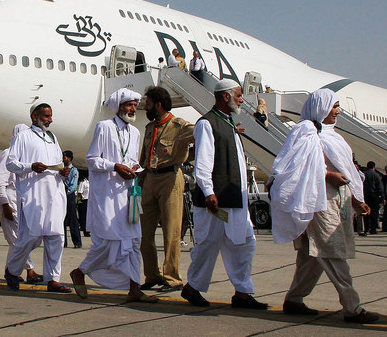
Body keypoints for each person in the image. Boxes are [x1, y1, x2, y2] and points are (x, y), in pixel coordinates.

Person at [269, 88, 379, 324]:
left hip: (336, 201)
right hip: (319, 203)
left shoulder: (332, 135)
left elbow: (347, 168)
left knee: (312, 257)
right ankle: (353, 307)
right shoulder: (307, 131)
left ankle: (294, 300)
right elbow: (294, 167)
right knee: (332, 252)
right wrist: (328, 175)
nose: (338, 111)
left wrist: (356, 199)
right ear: (321, 107)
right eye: (334, 105)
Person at [182, 79, 268, 310]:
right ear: (226, 97)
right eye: (238, 95)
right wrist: (209, 193)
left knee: (244, 243)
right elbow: (203, 163)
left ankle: (242, 292)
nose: (242, 99)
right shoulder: (206, 124)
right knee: (209, 244)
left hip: (233, 201)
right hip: (216, 204)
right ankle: (192, 287)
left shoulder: (227, 123)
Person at [70, 88, 158, 303]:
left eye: (135, 105)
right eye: (129, 105)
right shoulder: (105, 128)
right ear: (118, 106)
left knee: (133, 241)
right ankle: (80, 272)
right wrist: (114, 166)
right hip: (107, 196)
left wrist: (135, 167)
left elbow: (131, 159)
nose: (133, 109)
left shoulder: (135, 132)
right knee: (109, 242)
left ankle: (134, 289)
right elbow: (92, 159)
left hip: (128, 196)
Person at [4, 103, 73, 293]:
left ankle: (53, 280)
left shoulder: (52, 138)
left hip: (55, 193)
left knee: (56, 237)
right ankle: (13, 270)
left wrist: (63, 171)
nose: (50, 120)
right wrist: (30, 166)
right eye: (46, 116)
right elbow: (11, 164)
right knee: (31, 237)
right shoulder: (23, 137)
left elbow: (57, 165)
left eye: (51, 116)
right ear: (35, 117)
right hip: (33, 194)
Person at [138, 86, 195, 292]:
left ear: (159, 105)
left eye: (149, 103)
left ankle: (172, 278)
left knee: (171, 231)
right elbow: (143, 158)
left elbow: (201, 133)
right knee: (144, 233)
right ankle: (152, 274)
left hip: (170, 178)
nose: (145, 107)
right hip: (150, 179)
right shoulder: (149, 128)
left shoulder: (179, 126)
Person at [0, 123, 43, 283]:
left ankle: (12, 270)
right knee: (17, 240)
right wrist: (5, 204)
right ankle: (29, 271)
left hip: (22, 203)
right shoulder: (9, 154)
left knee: (21, 239)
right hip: (10, 202)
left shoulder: (26, 157)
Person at [63, 150, 81, 249]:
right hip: (63, 194)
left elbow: (73, 185)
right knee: (62, 219)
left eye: (65, 157)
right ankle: (63, 242)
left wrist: (67, 192)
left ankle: (77, 241)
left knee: (73, 219)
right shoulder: (62, 170)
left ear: (70, 158)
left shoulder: (74, 170)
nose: (64, 159)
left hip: (69, 195)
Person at [362, 161, 384, 235]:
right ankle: (373, 229)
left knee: (366, 212)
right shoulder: (376, 175)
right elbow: (380, 187)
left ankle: (366, 228)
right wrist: (382, 197)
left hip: (365, 195)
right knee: (374, 213)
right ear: (374, 167)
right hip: (374, 195)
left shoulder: (363, 174)